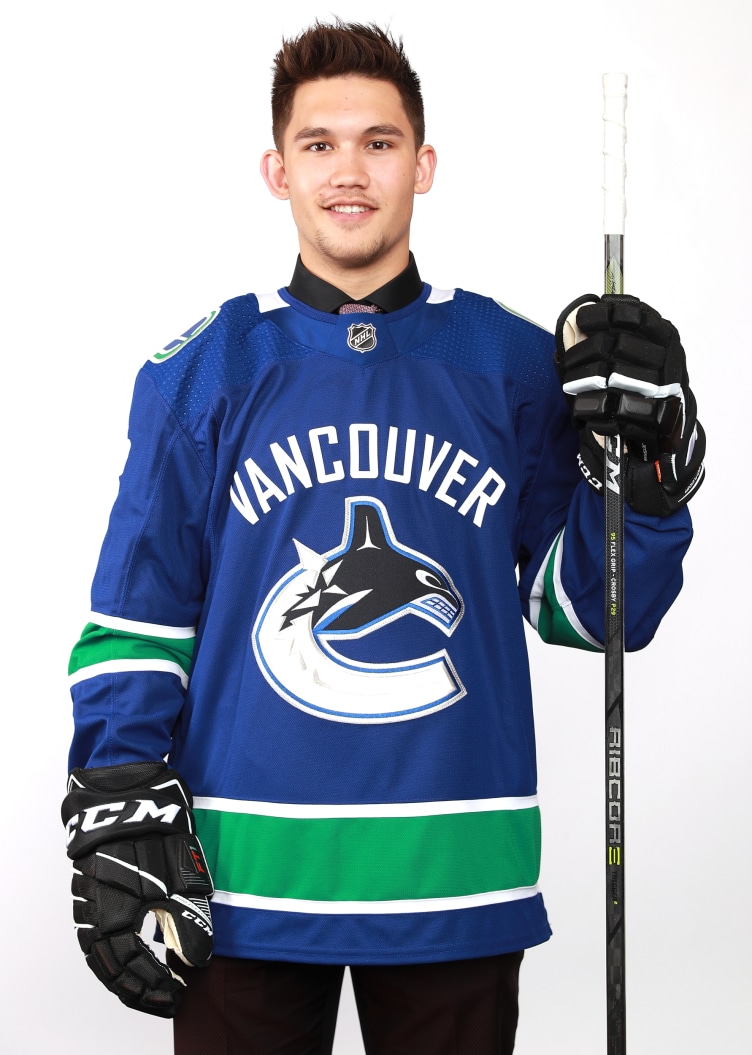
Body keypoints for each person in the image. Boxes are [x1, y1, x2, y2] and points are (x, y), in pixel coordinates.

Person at [61, 19, 705, 1055]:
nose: (348, 171)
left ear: (424, 163)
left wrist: (653, 466)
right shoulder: (201, 371)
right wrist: (116, 792)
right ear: (277, 169)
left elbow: (590, 610)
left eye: (378, 141)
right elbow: (136, 618)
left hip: (459, 875)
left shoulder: (513, 360)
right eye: (319, 145)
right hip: (243, 882)